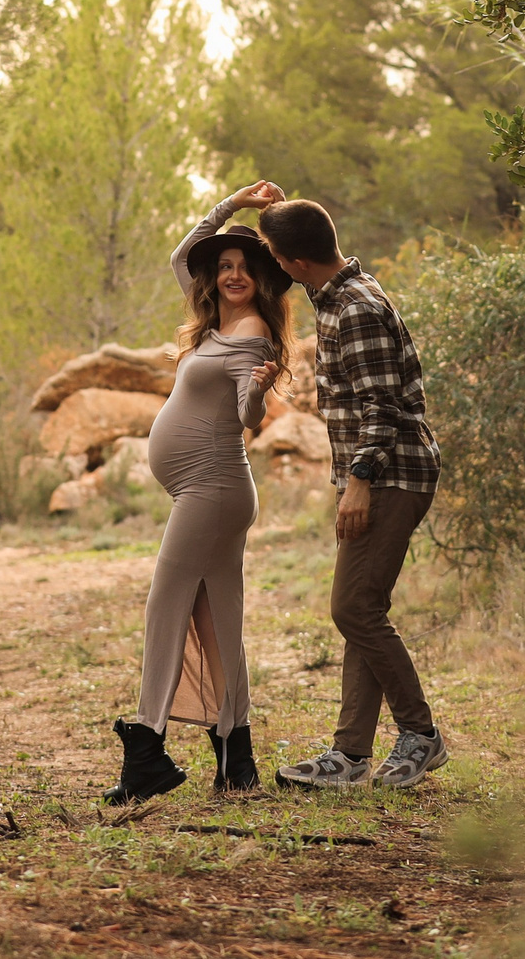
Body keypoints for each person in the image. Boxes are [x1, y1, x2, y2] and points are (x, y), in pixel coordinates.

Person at [105, 179, 293, 803]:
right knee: (217, 625)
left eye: (245, 267)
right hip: (208, 490)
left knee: (166, 606)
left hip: (213, 488)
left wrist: (259, 388)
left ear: (262, 280)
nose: (234, 275)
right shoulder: (215, 320)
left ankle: (147, 753)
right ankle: (237, 760)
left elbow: (247, 417)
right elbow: (180, 255)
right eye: (226, 265)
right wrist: (234, 204)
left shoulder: (253, 333)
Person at [253, 191, 448, 791]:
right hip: (380, 474)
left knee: (353, 609)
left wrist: (358, 483)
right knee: (364, 609)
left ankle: (420, 734)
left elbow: (382, 406)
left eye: (273, 255)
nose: (271, 265)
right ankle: (350, 754)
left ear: (295, 262)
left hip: (389, 474)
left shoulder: (355, 308)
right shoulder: (337, 295)